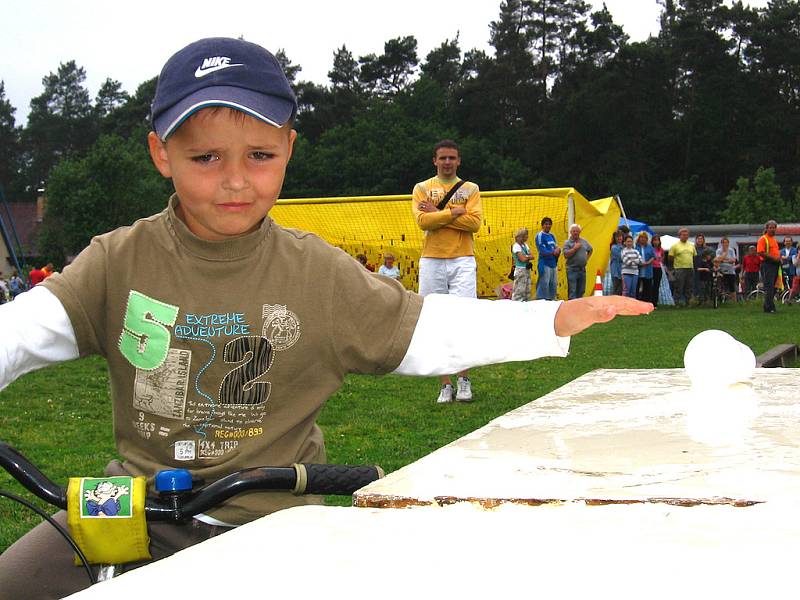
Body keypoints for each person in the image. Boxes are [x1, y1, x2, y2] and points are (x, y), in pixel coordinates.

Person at [0, 37, 653, 599]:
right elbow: (23, 331)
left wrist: (549, 320)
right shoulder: (119, 260)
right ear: (161, 153)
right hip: (130, 506)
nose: (234, 180)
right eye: (205, 158)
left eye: (258, 155)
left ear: (287, 149)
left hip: (262, 514)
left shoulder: (315, 271)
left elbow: (423, 328)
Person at [412, 139, 482, 404]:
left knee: (463, 319)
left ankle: (464, 379)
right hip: (432, 259)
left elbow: (474, 224)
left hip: (462, 259)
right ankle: (445, 383)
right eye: (443, 158)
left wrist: (439, 213)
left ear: (459, 160)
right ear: (435, 160)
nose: (447, 162)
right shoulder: (422, 188)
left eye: (452, 158)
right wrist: (456, 213)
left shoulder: (471, 189)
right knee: (436, 321)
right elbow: (422, 221)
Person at [561, 224, 593, 300]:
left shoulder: (584, 241)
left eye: (577, 231)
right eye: (574, 231)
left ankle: (579, 309)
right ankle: (571, 309)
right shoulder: (567, 243)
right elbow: (566, 255)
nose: (575, 233)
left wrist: (586, 259)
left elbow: (591, 250)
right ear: (571, 232)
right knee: (572, 291)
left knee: (581, 291)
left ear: (580, 232)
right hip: (572, 269)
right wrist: (574, 249)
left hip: (582, 269)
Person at [667, 227, 696, 306]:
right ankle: (677, 302)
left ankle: (688, 302)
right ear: (679, 236)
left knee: (689, 286)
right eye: (683, 235)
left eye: (686, 235)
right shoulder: (675, 246)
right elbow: (670, 257)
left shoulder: (691, 245)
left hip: (690, 268)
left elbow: (694, 256)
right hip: (679, 268)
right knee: (678, 286)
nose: (685, 236)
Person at [757, 219, 781, 313]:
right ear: (766, 228)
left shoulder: (774, 240)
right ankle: (769, 307)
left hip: (775, 264)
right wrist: (774, 258)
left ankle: (769, 305)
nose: (773, 229)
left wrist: (779, 258)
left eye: (774, 228)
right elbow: (760, 252)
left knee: (774, 286)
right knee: (769, 286)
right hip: (767, 264)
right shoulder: (763, 239)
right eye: (770, 228)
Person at [535, 217, 560, 300]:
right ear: (542, 225)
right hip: (544, 263)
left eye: (549, 224)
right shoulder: (540, 236)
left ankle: (551, 301)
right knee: (544, 283)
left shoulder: (552, 236)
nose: (548, 226)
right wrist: (553, 252)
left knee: (553, 283)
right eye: (546, 224)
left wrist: (558, 250)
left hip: (553, 263)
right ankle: (541, 300)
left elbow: (556, 247)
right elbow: (542, 250)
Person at [511, 227, 533, 301]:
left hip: (526, 270)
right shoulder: (516, 246)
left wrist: (526, 256)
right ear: (521, 236)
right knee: (519, 291)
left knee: (527, 290)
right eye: (526, 235)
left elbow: (532, 256)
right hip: (520, 270)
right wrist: (527, 257)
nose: (527, 237)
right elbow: (522, 259)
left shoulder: (525, 245)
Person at [714, 237, 738, 303]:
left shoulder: (731, 250)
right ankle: (721, 300)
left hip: (731, 271)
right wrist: (724, 256)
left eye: (727, 243)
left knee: (732, 287)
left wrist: (723, 260)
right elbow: (717, 260)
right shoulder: (718, 251)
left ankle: (734, 302)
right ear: (721, 243)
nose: (725, 244)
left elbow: (733, 260)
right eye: (724, 243)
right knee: (721, 286)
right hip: (721, 271)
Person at [692, 234, 714, 305]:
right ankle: (696, 300)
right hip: (696, 269)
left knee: (705, 285)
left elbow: (711, 258)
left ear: (703, 240)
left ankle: (706, 300)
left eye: (701, 239)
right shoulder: (693, 248)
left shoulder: (707, 249)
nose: (700, 240)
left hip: (705, 270)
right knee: (696, 284)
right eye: (698, 239)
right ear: (696, 240)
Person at [634, 231, 655, 302]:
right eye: (641, 237)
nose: (643, 239)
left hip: (648, 270)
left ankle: (647, 302)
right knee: (637, 287)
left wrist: (647, 263)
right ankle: (637, 303)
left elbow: (653, 256)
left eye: (644, 238)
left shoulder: (650, 247)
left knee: (647, 288)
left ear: (647, 239)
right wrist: (639, 263)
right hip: (637, 270)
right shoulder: (635, 247)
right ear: (638, 238)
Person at [650, 234, 665, 306]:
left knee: (656, 285)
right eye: (654, 240)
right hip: (650, 268)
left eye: (657, 240)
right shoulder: (650, 248)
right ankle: (649, 301)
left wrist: (660, 261)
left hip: (658, 268)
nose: (656, 242)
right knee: (650, 285)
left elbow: (662, 258)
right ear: (652, 241)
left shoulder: (661, 249)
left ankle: (654, 303)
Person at [609, 230, 624, 296]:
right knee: (616, 289)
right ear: (614, 238)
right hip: (616, 271)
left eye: (620, 236)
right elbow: (622, 257)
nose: (619, 238)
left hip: (623, 270)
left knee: (622, 289)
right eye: (617, 236)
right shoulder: (614, 247)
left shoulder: (624, 246)